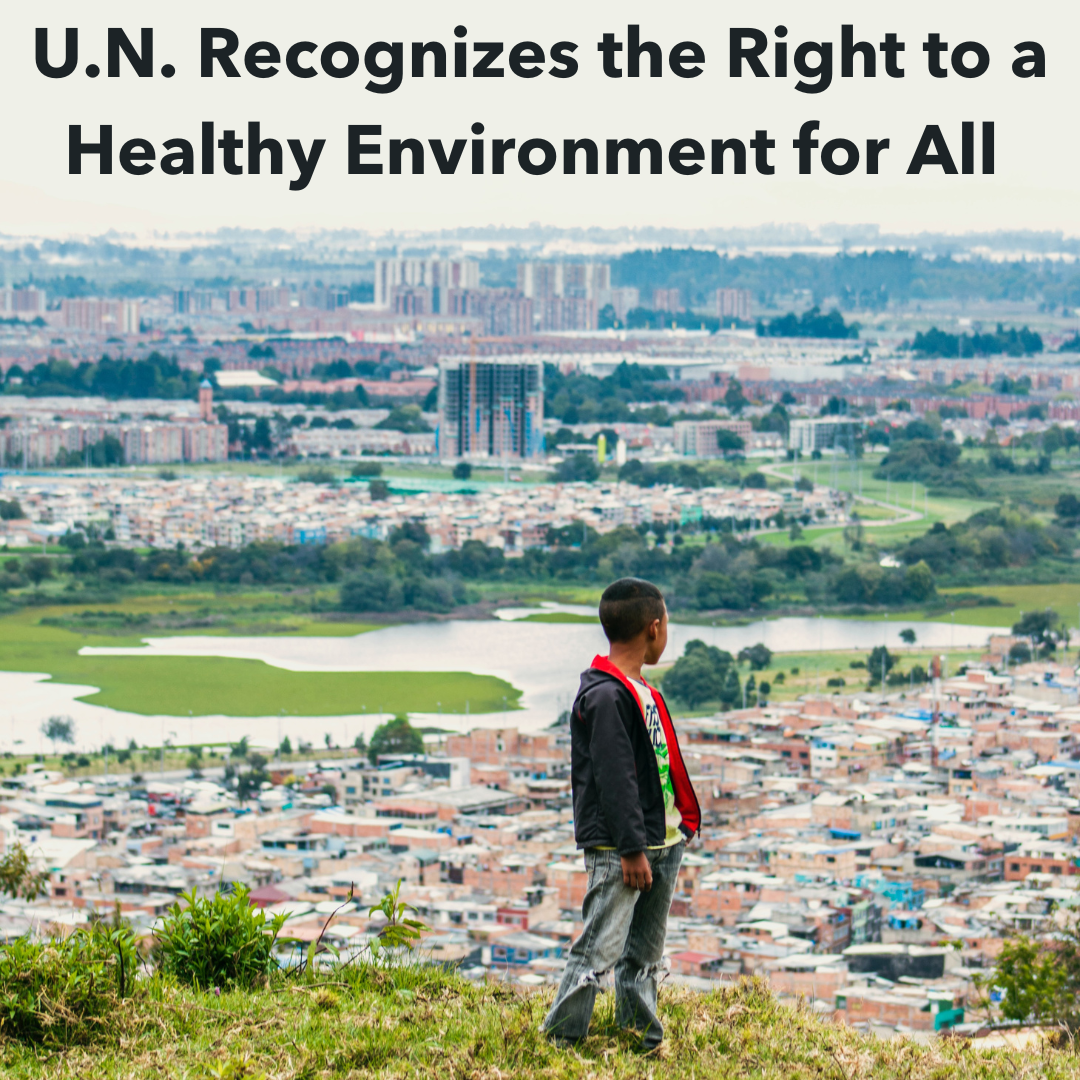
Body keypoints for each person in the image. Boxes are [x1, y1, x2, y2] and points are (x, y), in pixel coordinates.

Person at [543, 577, 700, 1049]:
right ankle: (561, 1037)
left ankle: (640, 1032)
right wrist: (632, 848)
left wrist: (680, 826)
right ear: (655, 628)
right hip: (623, 847)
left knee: (645, 950)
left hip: (662, 837)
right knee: (599, 947)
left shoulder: (637, 690)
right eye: (667, 623)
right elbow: (615, 779)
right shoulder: (606, 695)